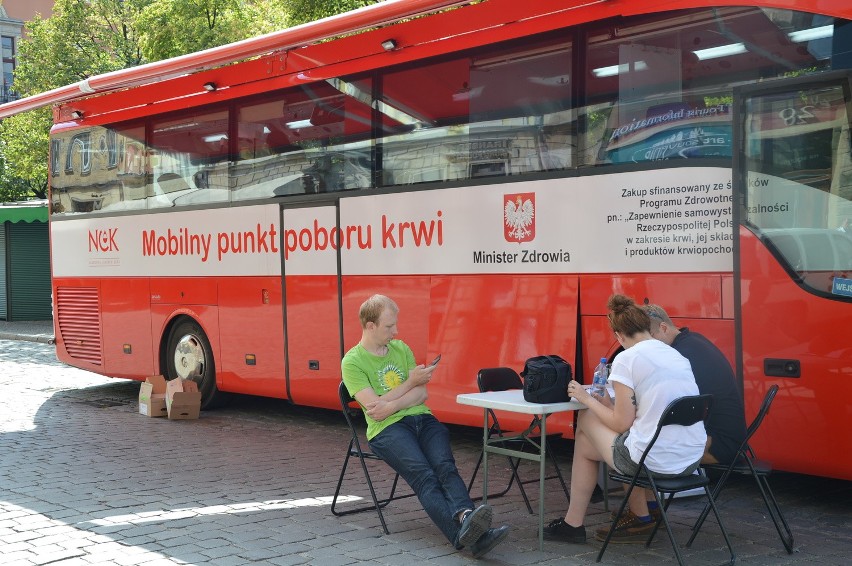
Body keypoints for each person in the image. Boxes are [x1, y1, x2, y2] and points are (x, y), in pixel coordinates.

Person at [341, 294, 510, 558]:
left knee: (445, 467)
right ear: (370, 326)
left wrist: (391, 404)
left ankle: (467, 518)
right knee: (425, 477)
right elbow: (375, 410)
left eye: (395, 324)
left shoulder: (401, 348)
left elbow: (422, 396)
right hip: (387, 431)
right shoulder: (352, 362)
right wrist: (408, 386)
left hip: (421, 418)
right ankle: (468, 537)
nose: (395, 331)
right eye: (389, 326)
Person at [544, 294, 706, 544]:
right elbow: (641, 412)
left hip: (654, 463)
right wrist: (606, 404)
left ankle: (574, 523)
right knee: (590, 444)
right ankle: (581, 521)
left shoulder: (626, 359)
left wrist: (585, 398)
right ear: (646, 326)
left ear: (618, 336)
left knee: (585, 420)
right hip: (690, 461)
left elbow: (621, 424)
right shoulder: (676, 355)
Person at [643, 304, 747, 465]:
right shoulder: (693, 340)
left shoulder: (678, 355)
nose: (647, 347)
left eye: (650, 339)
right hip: (730, 438)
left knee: (639, 454)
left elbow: (662, 405)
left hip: (719, 446)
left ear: (663, 328)